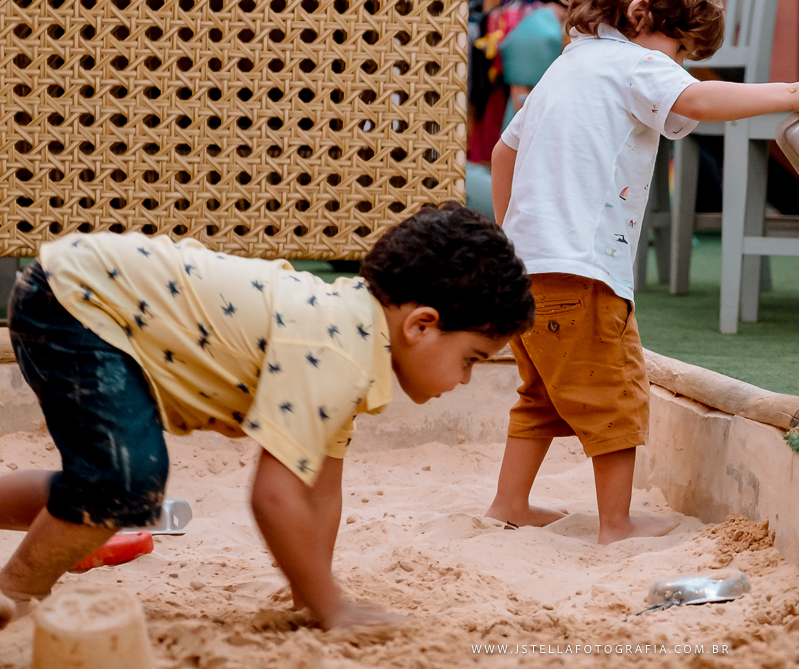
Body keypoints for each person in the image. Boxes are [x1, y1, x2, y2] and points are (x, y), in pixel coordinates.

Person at [0, 203, 534, 630]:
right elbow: (273, 497)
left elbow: (320, 491)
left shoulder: (352, 341)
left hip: (75, 291)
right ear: (422, 325)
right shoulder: (338, 350)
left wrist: (311, 593)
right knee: (123, 483)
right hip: (76, 301)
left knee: (107, 486)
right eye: (471, 360)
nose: (465, 380)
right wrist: (333, 608)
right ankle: (15, 592)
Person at [483, 0, 799, 545]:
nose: (676, 63)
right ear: (640, 16)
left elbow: (503, 154)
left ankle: (509, 504)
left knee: (541, 394)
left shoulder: (566, 67)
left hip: (526, 273)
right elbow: (698, 99)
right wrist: (791, 93)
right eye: (678, 46)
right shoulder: (636, 63)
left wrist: (510, 240)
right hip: (583, 274)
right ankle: (616, 523)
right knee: (618, 395)